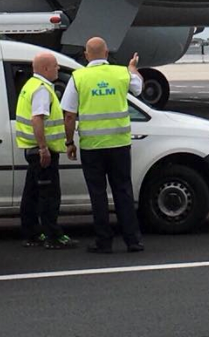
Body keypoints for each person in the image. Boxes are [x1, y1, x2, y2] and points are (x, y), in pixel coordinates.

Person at [62, 37, 144, 254]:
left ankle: (104, 241)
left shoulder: (78, 77)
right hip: (119, 145)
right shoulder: (120, 73)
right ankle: (132, 240)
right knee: (123, 191)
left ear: (86, 55)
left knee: (97, 195)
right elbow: (139, 88)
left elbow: (69, 115)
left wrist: (69, 142)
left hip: (92, 147)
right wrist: (132, 67)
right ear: (107, 53)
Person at [15, 52, 78, 249]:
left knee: (32, 194)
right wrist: (43, 148)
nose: (58, 69)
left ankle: (32, 233)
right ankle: (53, 236)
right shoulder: (42, 90)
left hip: (31, 149)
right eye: (55, 66)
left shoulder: (30, 86)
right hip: (42, 151)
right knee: (49, 195)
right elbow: (37, 118)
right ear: (45, 69)